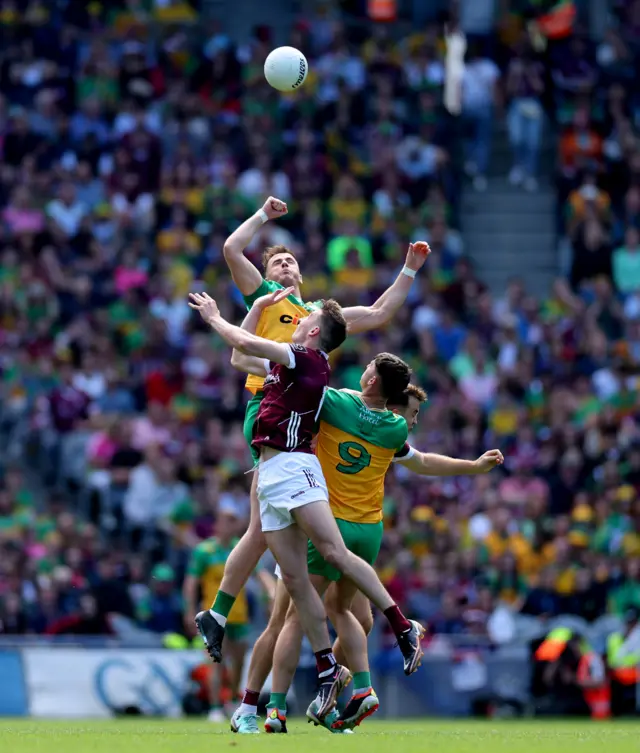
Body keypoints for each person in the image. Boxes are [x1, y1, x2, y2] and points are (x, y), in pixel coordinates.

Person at [227, 308, 503, 733]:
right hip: (368, 531)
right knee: (354, 616)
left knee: (294, 617)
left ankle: (276, 708)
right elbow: (424, 461)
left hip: (322, 519)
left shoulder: (332, 402)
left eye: (370, 368)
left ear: (372, 380)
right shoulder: (393, 429)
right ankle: (358, 689)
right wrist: (473, 465)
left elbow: (261, 370)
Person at [199, 194, 430, 666]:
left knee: (283, 544)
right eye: (277, 259)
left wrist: (408, 269)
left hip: (309, 413)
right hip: (272, 407)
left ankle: (310, 663)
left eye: (290, 259)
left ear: (301, 274)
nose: (283, 263)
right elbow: (230, 249)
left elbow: (382, 311)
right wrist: (263, 215)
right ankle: (230, 620)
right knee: (267, 531)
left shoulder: (320, 319)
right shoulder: (265, 297)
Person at [188, 289, 425, 720]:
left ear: (312, 330)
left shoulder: (305, 359)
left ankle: (402, 626)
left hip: (296, 469)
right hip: (272, 475)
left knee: (333, 554)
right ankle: (322, 666)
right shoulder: (288, 364)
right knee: (296, 583)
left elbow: (243, 343)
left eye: (305, 317)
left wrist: (212, 316)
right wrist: (258, 309)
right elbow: (241, 359)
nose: (296, 318)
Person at [182, 506, 274, 722]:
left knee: (240, 662)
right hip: (214, 615)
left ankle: (232, 699)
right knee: (215, 661)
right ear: (217, 524)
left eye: (233, 521)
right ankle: (215, 707)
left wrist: (271, 593)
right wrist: (188, 610)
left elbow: (261, 574)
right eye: (226, 520)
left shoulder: (241, 548)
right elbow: (191, 583)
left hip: (239, 616)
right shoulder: (204, 551)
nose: (229, 525)